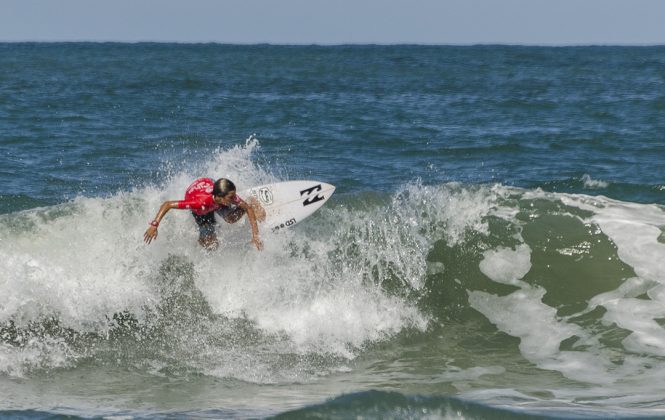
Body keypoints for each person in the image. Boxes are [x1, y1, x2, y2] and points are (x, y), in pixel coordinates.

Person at [144, 177, 265, 250]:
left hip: (209, 185)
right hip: (200, 203)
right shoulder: (198, 203)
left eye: (234, 195)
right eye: (231, 197)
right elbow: (168, 204)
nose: (234, 199)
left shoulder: (224, 196)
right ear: (219, 197)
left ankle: (251, 199)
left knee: (231, 219)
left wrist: (255, 236)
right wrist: (154, 225)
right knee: (209, 244)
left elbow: (248, 208)